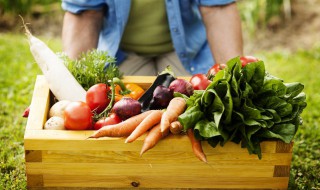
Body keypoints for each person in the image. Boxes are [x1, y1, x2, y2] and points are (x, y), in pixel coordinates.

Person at [61, 0, 243, 76]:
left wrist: (235, 80)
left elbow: (217, 8)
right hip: (123, 53)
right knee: (123, 114)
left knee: (201, 114)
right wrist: (72, 86)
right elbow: (85, 13)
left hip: (187, 52)